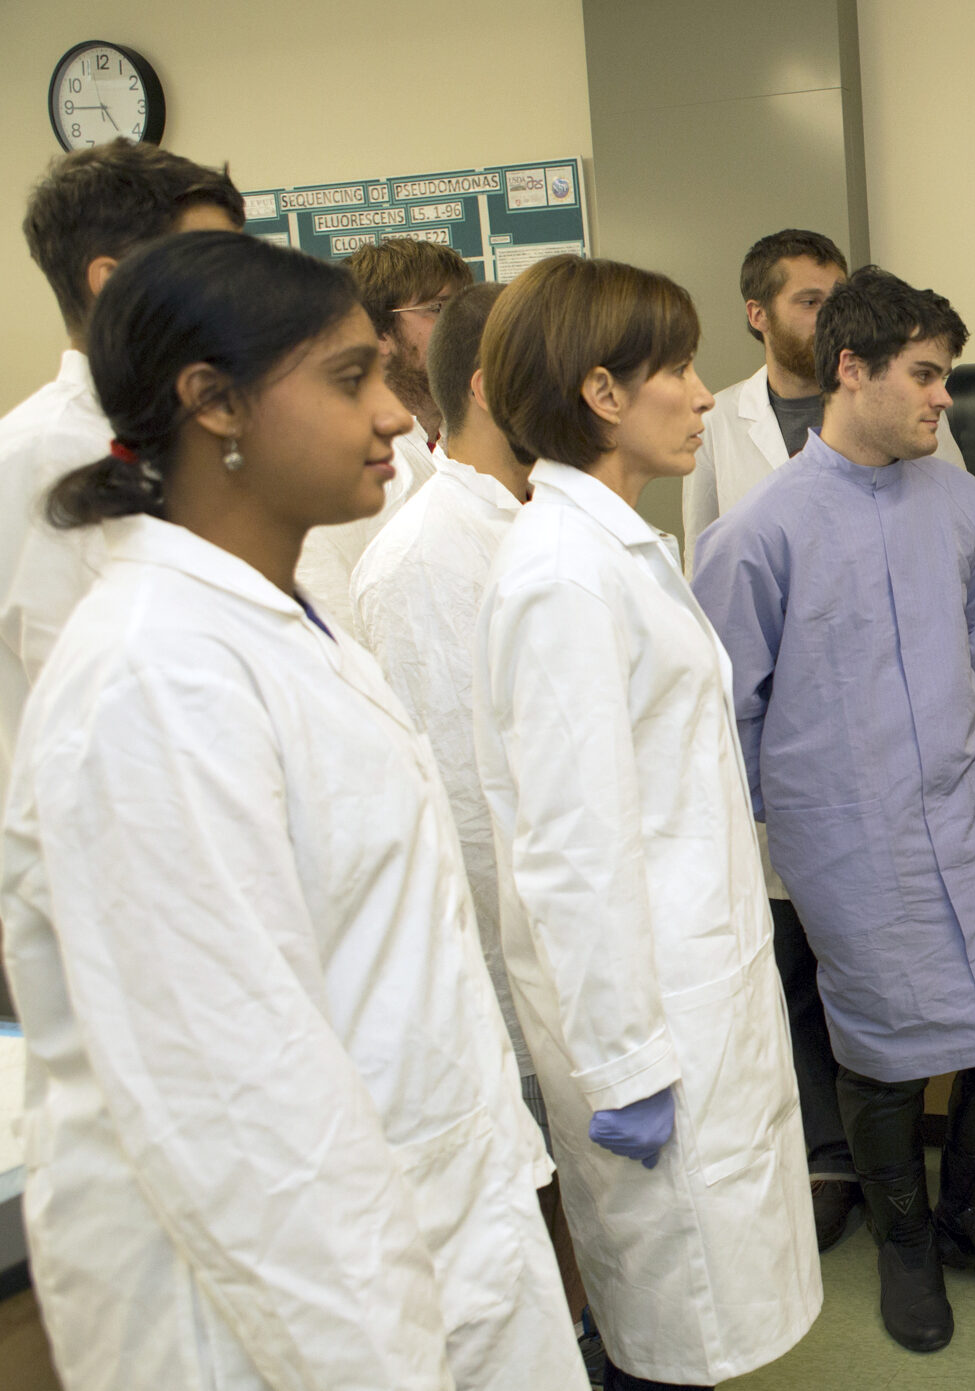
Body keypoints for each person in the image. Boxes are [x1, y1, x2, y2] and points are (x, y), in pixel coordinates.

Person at [0, 229, 584, 1391]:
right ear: (212, 402)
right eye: (347, 378)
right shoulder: (153, 680)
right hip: (290, 1311)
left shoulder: (279, 622)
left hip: (415, 1220)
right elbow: (237, 1110)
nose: (393, 415)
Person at [689, 267, 975, 1356]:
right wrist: (800, 824)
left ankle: (973, 1215)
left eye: (943, 376)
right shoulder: (755, 534)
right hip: (845, 835)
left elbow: (968, 634)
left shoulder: (952, 501)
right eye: (924, 374)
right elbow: (724, 716)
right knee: (883, 1055)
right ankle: (905, 1242)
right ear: (847, 370)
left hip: (963, 815)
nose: (941, 397)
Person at [474, 254, 819, 1389]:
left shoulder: (614, 548)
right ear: (602, 393)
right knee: (670, 1323)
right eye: (673, 367)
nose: (705, 391)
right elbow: (572, 847)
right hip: (649, 1022)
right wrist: (622, 1063)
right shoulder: (565, 577)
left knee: (702, 1304)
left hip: (693, 984)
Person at [348, 282, 593, 1329]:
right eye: (582, 368)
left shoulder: (562, 519)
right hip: (519, 979)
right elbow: (463, 822)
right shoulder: (417, 564)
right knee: (546, 1225)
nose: (607, 391)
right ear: (501, 386)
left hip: (586, 952)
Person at [0, 139, 243, 788]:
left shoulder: (178, 426)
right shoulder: (49, 453)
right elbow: (96, 705)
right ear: (112, 282)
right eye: (207, 264)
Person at [296, 237, 472, 637]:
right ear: (377, 333)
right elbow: (332, 624)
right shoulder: (336, 463)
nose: (461, 327)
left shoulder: (458, 441)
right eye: (439, 309)